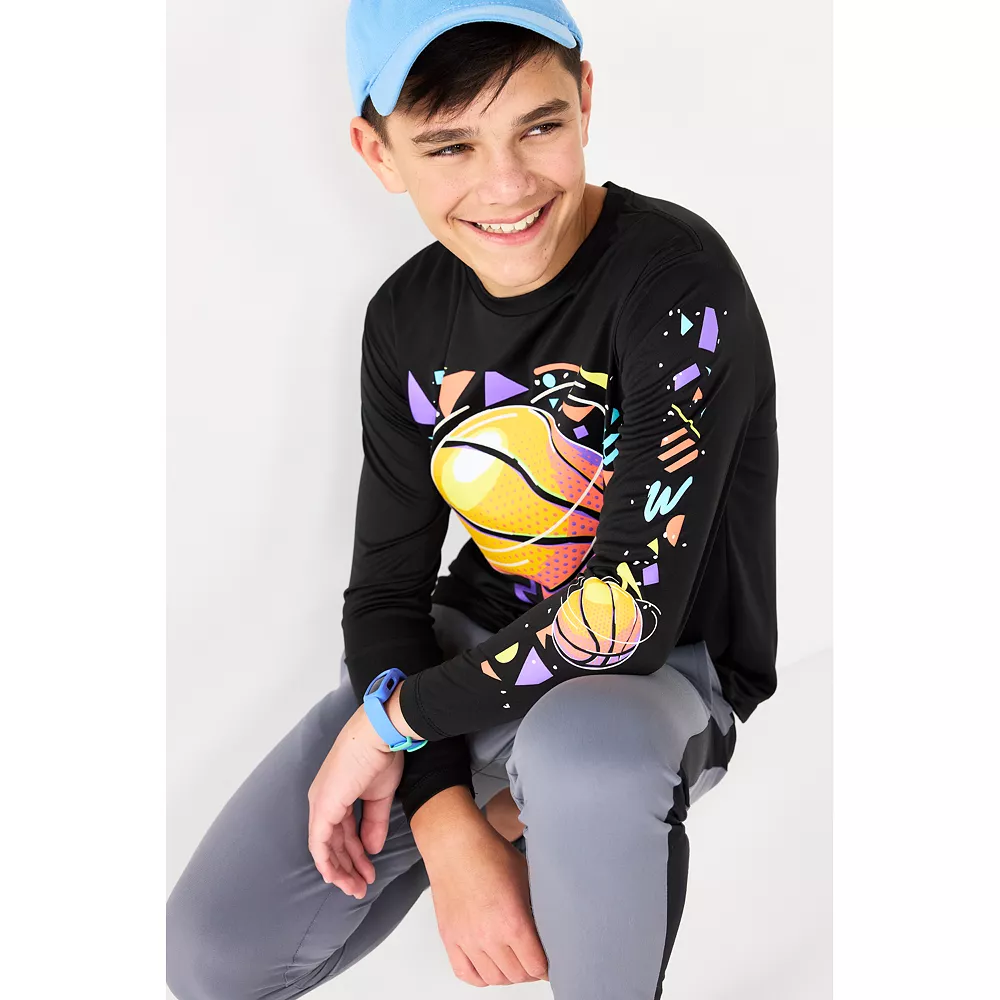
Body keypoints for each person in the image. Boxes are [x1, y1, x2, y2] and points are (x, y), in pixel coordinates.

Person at [166, 1, 779, 997]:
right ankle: (498, 800)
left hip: (655, 672)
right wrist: (445, 817)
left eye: (538, 126)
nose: (506, 185)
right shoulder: (405, 318)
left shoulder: (674, 280)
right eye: (449, 146)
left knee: (584, 755)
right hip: (471, 656)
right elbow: (385, 595)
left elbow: (622, 618)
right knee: (211, 951)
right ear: (377, 151)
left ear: (585, 98)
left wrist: (393, 725)